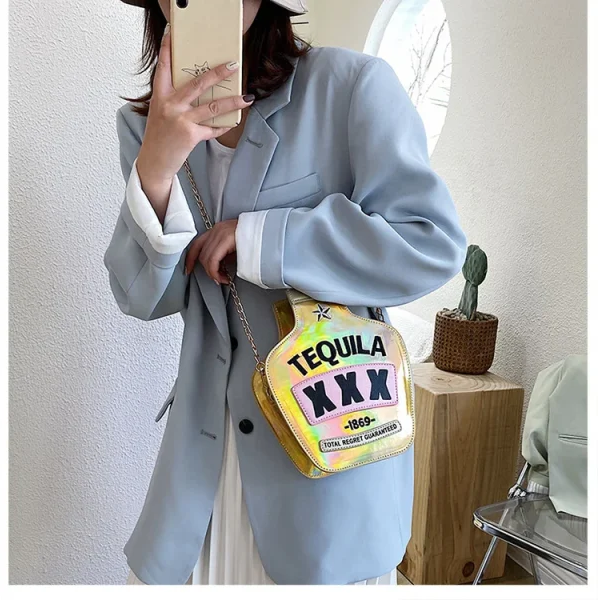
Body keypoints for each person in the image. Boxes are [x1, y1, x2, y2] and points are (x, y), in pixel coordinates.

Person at [106, 0, 467, 586]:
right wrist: (157, 168)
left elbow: (429, 242)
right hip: (202, 464)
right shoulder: (144, 126)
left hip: (325, 458)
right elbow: (145, 297)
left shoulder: (349, 88)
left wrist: (263, 239)